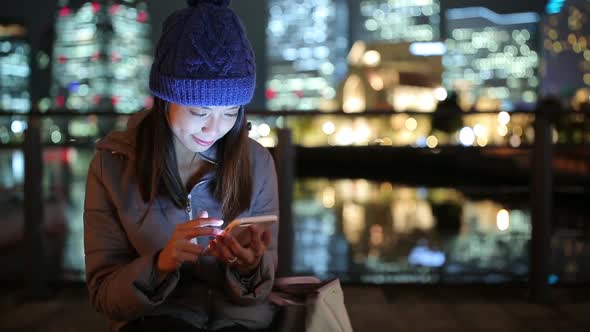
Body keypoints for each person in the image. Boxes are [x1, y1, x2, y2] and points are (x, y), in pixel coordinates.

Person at [83, 1, 279, 331]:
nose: (214, 128)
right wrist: (160, 265)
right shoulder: (113, 165)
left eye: (231, 112)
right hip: (155, 319)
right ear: (164, 99)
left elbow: (260, 294)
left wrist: (250, 268)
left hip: (239, 320)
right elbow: (104, 295)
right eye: (200, 112)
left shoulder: (256, 162)